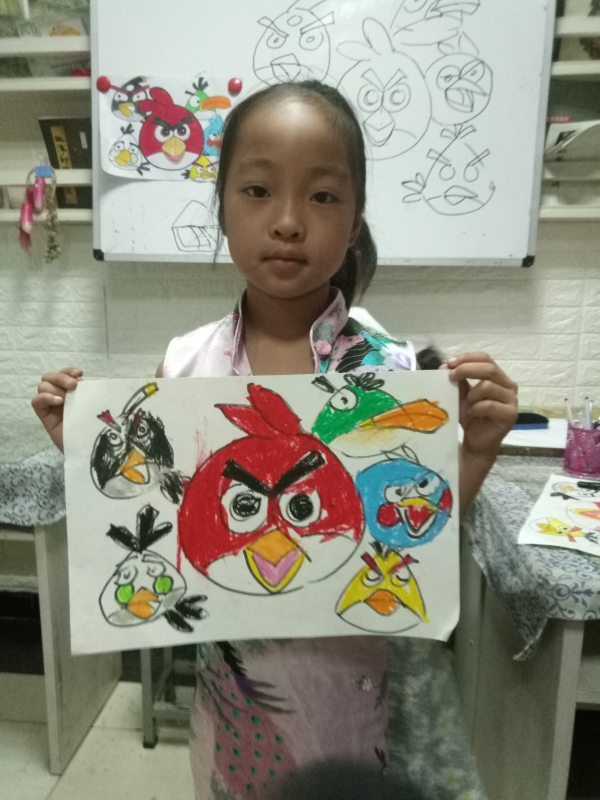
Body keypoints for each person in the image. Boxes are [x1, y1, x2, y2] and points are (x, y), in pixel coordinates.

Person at [32, 80, 518, 799]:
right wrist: (85, 448)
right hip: (239, 701)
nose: (288, 222)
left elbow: (414, 533)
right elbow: (159, 515)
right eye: (257, 191)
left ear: (354, 220)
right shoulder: (186, 366)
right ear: (222, 208)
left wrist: (474, 452)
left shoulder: (388, 373)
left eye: (322, 196)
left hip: (370, 690)